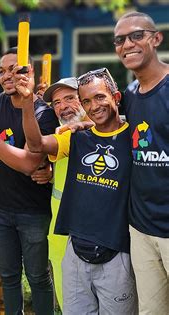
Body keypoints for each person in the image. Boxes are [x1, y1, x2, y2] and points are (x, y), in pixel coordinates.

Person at [15, 66, 137, 314]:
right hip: (75, 251)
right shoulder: (76, 137)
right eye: (87, 101)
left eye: (100, 97)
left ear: (116, 97)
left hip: (117, 253)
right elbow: (36, 144)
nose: (94, 106)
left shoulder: (134, 137)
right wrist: (28, 104)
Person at [0, 48, 58, 315]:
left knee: (38, 277)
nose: (6, 76)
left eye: (14, 69)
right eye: (2, 71)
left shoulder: (43, 113)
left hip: (33, 211)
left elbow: (29, 163)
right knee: (9, 276)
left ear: (29, 73)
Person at [114, 11, 169, 314]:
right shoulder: (130, 96)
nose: (127, 44)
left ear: (156, 38)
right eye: (120, 40)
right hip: (142, 229)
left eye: (137, 35)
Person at [41, 77, 87, 308]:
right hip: (60, 238)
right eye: (57, 103)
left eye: (70, 98)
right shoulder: (63, 134)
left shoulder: (102, 131)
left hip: (93, 239)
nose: (63, 106)